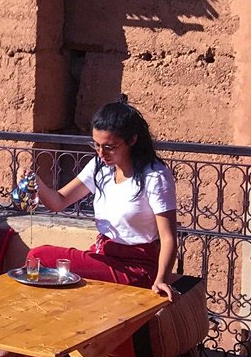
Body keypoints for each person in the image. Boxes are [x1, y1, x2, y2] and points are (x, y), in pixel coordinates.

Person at [27, 97, 179, 300]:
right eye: (96, 145)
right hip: (102, 254)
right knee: (40, 263)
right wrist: (35, 181)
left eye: (110, 147)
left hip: (136, 266)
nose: (101, 153)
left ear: (132, 140)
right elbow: (58, 201)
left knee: (40, 256)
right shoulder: (99, 167)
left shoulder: (154, 176)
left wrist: (161, 279)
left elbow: (168, 238)